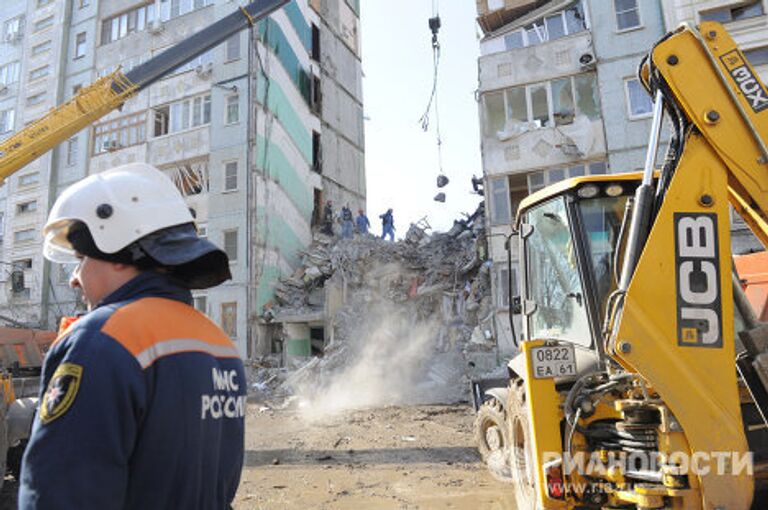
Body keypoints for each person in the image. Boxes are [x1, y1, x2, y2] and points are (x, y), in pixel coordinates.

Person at [19, 163, 245, 509]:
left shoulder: (101, 339)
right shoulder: (218, 343)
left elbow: (60, 493)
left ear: (120, 254)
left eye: (81, 258)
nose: (74, 278)